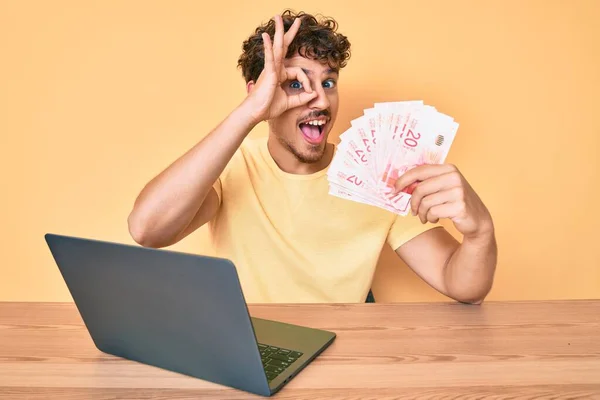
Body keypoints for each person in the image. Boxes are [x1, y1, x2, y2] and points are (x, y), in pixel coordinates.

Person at [127, 10, 497, 304]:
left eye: (329, 82)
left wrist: (480, 233)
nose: (319, 99)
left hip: (343, 354)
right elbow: (147, 230)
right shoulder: (228, 168)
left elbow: (460, 283)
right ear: (260, 95)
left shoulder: (375, 175)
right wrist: (248, 112)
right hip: (253, 347)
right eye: (295, 84)